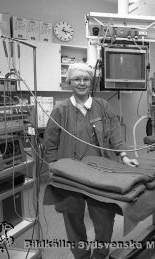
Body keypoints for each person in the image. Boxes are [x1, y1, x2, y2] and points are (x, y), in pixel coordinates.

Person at [43, 62, 138, 259]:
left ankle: (100, 254)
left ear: (91, 81)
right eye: (77, 79)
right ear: (69, 82)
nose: (82, 83)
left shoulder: (103, 107)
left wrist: (124, 155)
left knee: (104, 217)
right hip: (71, 175)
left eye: (86, 79)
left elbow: (115, 134)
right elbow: (50, 143)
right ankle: (81, 255)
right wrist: (53, 169)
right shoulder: (60, 110)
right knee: (72, 217)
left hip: (100, 175)